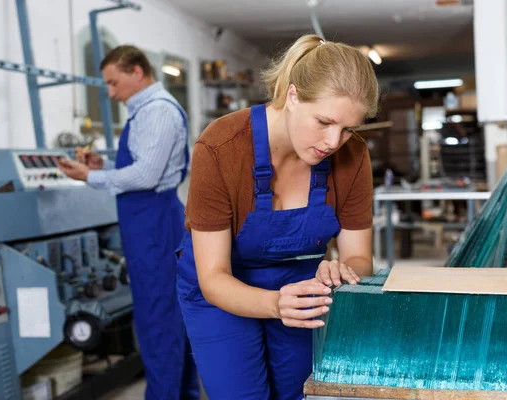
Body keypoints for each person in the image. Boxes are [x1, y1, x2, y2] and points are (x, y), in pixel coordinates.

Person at [175, 34, 379, 400]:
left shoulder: (353, 157)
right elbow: (213, 277)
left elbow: (360, 257)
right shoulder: (220, 147)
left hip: (302, 287)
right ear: (293, 95)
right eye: (324, 121)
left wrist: (344, 272)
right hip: (222, 287)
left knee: (301, 392)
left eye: (349, 129)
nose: (334, 142)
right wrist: (273, 303)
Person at [57, 45, 200, 400]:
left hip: (155, 223)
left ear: (137, 71)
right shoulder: (146, 111)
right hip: (148, 223)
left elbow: (147, 175)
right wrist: (101, 167)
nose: (110, 93)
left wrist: (89, 178)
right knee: (163, 318)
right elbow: (140, 169)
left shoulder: (157, 111)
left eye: (113, 82)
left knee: (159, 321)